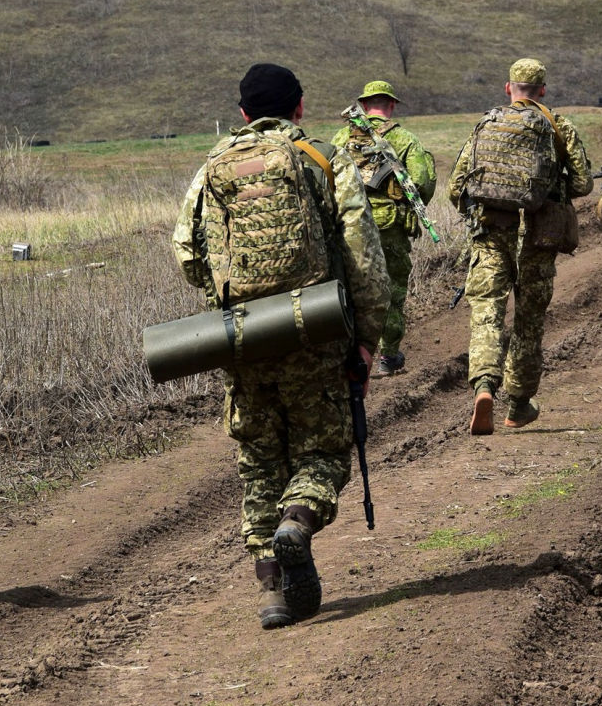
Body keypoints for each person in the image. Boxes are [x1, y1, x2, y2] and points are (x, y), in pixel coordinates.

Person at [173, 63, 389, 629]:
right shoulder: (321, 159)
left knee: (259, 458)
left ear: (243, 113)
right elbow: (363, 254)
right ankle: (297, 520)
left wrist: (231, 297)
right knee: (321, 449)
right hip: (314, 331)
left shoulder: (212, 169)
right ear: (298, 108)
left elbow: (187, 254)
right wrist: (367, 339)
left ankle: (271, 592)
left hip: (243, 339)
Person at [448, 58, 591, 434]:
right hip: (540, 236)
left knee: (487, 313)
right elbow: (582, 184)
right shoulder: (559, 126)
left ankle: (483, 387)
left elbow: (456, 185)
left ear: (508, 88)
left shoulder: (488, 123)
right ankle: (519, 404)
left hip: (491, 233)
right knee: (529, 321)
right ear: (542, 90)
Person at [331, 80, 436, 378]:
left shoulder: (341, 137)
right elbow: (423, 184)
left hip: (348, 225)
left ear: (364, 105)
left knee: (347, 288)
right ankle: (388, 357)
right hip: (390, 226)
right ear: (390, 105)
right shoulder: (405, 139)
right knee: (392, 290)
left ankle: (349, 354)